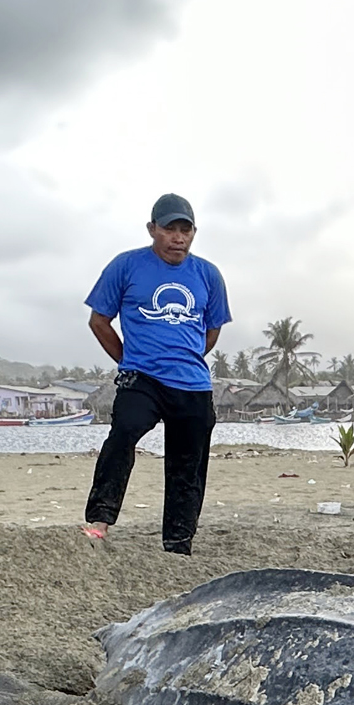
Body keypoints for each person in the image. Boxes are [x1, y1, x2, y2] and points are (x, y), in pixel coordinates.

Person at [80, 193, 231, 553]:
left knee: (188, 462)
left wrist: (187, 357)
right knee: (123, 434)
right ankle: (99, 522)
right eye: (170, 229)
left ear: (194, 233)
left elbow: (212, 329)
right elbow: (98, 320)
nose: (178, 237)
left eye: (186, 230)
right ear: (153, 229)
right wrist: (128, 359)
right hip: (142, 379)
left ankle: (178, 542)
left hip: (191, 383)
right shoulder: (126, 266)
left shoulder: (208, 274)